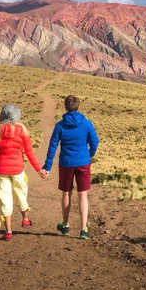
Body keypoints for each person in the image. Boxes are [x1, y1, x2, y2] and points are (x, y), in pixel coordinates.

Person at [39, 95, 99, 240]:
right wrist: (89, 155)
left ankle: (65, 225)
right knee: (82, 194)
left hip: (66, 163)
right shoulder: (87, 124)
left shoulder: (60, 125)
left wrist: (47, 166)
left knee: (66, 193)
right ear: (78, 107)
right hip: (83, 162)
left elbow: (53, 146)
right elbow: (95, 141)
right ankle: (83, 229)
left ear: (65, 107)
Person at [0, 104, 42, 241]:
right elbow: (29, 152)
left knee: (5, 200)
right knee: (21, 194)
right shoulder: (23, 130)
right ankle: (25, 219)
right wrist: (39, 169)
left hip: (2, 170)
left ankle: (8, 231)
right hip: (18, 169)